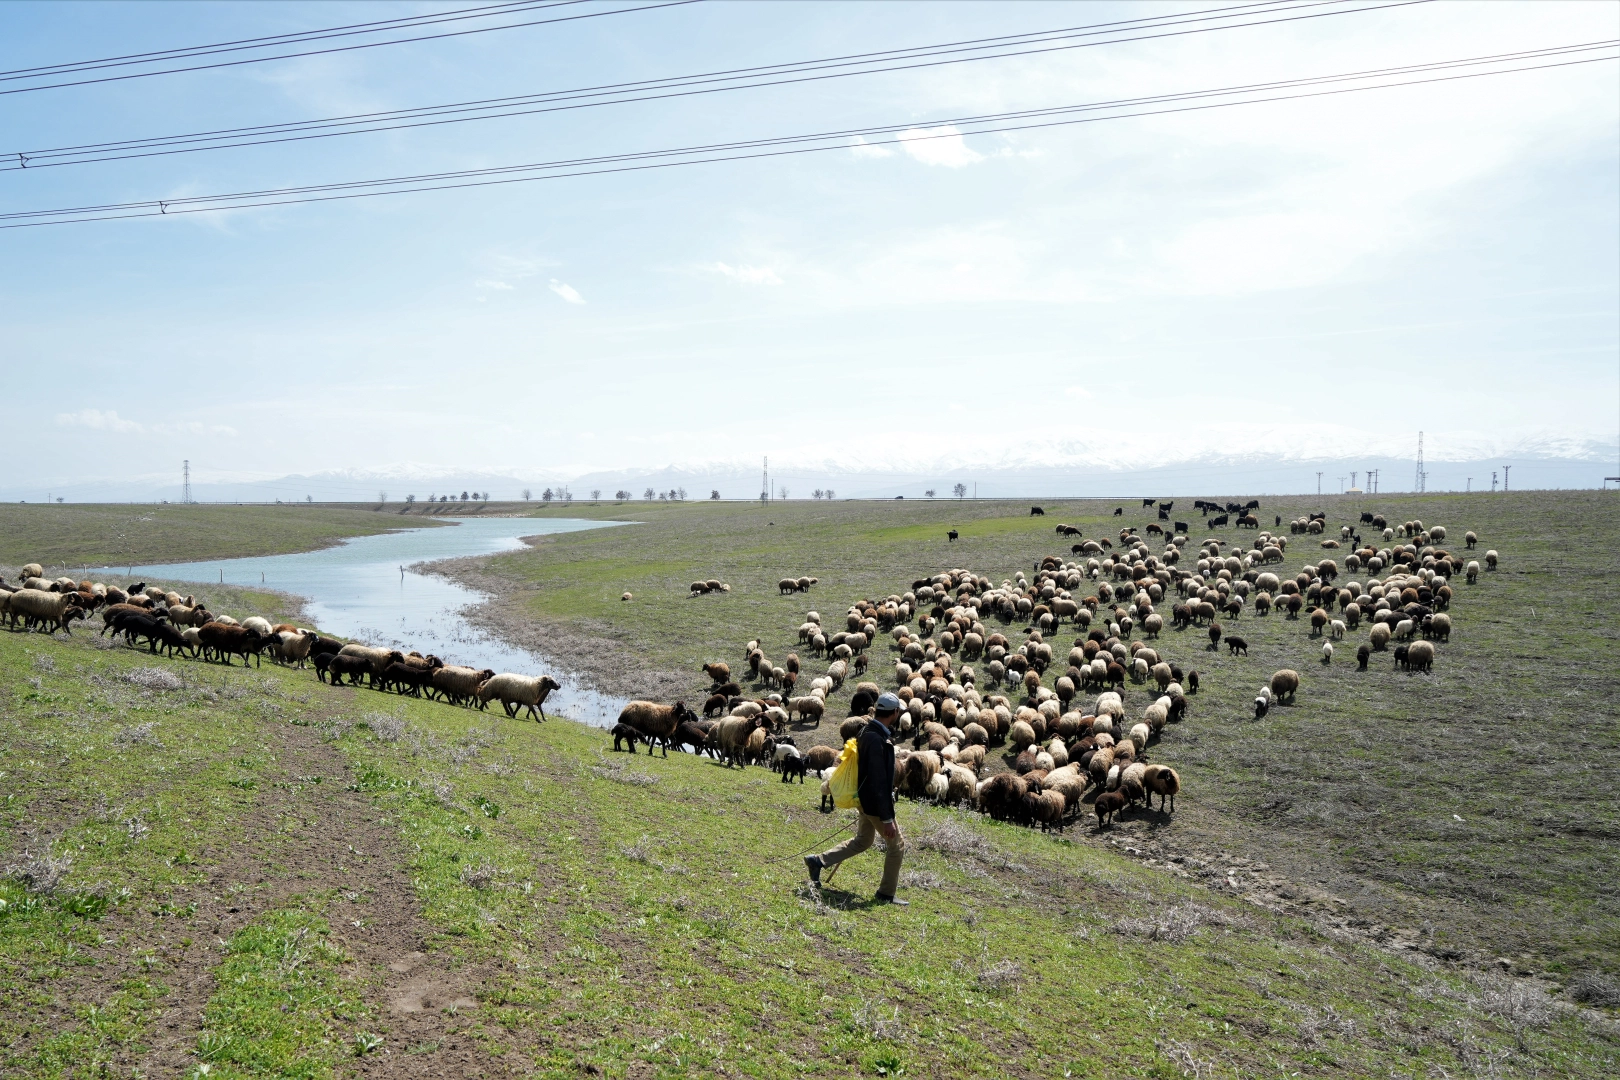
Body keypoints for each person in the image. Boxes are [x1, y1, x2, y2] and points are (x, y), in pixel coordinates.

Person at [804, 692, 907, 905]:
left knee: (863, 840)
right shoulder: (877, 739)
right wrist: (887, 818)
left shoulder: (867, 731)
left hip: (864, 799)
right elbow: (879, 780)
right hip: (874, 803)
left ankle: (818, 861)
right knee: (896, 846)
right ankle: (886, 893)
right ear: (895, 712)